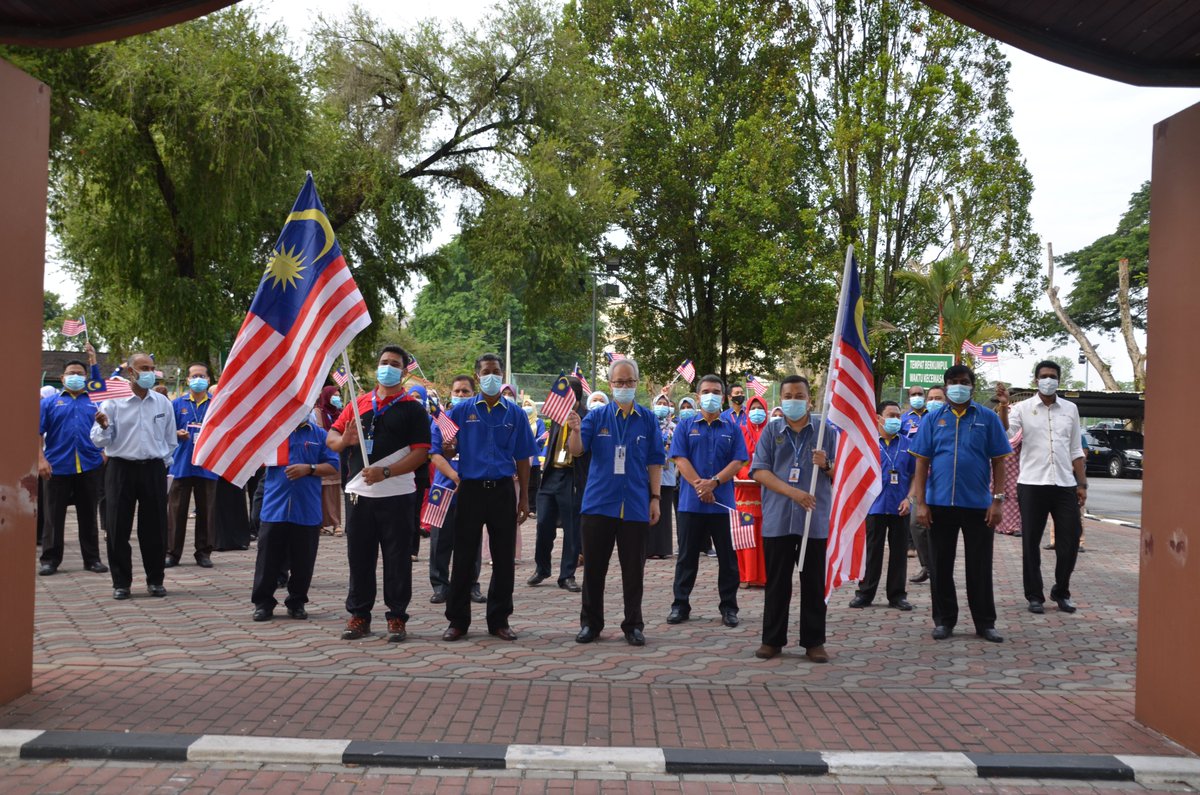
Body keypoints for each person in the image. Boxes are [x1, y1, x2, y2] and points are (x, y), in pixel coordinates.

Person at [327, 346, 432, 643]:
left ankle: (397, 617)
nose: (388, 367)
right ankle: (360, 615)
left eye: (394, 364)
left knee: (397, 558)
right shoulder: (358, 403)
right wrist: (343, 440)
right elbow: (332, 437)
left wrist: (386, 472)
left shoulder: (413, 409)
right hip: (359, 495)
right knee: (359, 557)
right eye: (384, 362)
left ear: (404, 370)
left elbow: (421, 453)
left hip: (397, 494)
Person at [909, 364, 1011, 643]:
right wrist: (921, 503)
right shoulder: (932, 419)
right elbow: (921, 461)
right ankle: (944, 620)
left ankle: (985, 623)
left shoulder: (987, 418)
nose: (958, 386)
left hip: (978, 505)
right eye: (953, 382)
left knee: (979, 566)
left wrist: (997, 501)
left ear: (972, 386)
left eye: (964, 381)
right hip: (939, 504)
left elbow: (999, 461)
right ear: (945, 387)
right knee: (940, 566)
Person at [566, 359, 664, 645]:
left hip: (635, 504)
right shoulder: (596, 418)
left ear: (637, 383)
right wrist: (574, 429)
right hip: (598, 504)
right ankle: (590, 624)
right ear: (610, 384)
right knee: (594, 570)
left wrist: (655, 498)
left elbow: (655, 460)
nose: (624, 387)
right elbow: (578, 450)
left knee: (633, 571)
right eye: (619, 382)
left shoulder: (647, 418)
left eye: (630, 382)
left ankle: (633, 625)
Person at [441, 353, 536, 642]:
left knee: (504, 559)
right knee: (464, 559)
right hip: (469, 490)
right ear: (477, 374)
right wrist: (448, 447)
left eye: (496, 371)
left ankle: (499, 620)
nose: (491, 376)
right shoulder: (460, 410)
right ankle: (457, 621)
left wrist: (524, 499)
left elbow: (523, 458)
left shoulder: (515, 414)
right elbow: (444, 449)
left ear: (502, 374)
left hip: (503, 491)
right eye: (486, 371)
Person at [750, 375, 837, 662]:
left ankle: (814, 642)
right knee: (777, 582)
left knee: (813, 582)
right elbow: (760, 472)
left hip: (814, 519)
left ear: (809, 399)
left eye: (799, 396)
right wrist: (793, 493)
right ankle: (772, 640)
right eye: (788, 395)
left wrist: (826, 464)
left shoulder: (826, 431)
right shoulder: (771, 430)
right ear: (781, 399)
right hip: (779, 518)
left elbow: (842, 474)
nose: (793, 401)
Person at [996, 361, 1087, 614]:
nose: (1049, 380)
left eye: (1053, 376)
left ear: (1059, 379)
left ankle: (1061, 590)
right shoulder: (1022, 408)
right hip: (1032, 484)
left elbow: (1075, 449)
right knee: (1031, 543)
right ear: (1036, 380)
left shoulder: (1070, 409)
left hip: (1065, 485)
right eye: (1044, 376)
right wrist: (1004, 406)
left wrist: (1082, 483)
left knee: (1069, 542)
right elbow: (1005, 432)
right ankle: (1034, 595)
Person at [90, 353, 178, 600]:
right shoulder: (112, 403)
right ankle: (121, 583)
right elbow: (97, 440)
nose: (149, 372)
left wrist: (163, 464)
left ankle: (155, 580)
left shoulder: (163, 403)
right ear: (131, 372)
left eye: (152, 367)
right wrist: (105, 427)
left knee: (155, 528)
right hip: (121, 468)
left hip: (153, 468)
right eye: (143, 368)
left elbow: (170, 439)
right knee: (117, 526)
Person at [668, 374, 748, 627]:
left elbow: (738, 461)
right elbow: (680, 458)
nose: (711, 396)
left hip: (723, 504)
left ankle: (729, 607)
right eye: (706, 391)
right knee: (687, 557)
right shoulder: (685, 424)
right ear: (698, 396)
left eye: (715, 391)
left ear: (723, 397)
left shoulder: (732, 427)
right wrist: (700, 487)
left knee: (728, 558)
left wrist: (713, 483)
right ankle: (680, 605)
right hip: (691, 504)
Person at [251, 417, 339, 621]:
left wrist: (309, 469)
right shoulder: (274, 432)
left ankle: (297, 602)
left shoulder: (320, 435)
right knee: (267, 560)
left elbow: (333, 465)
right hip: (275, 507)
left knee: (303, 560)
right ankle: (263, 603)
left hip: (306, 508)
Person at [38, 357, 107, 575]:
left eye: (80, 373)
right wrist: (40, 459)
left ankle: (92, 559)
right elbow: (37, 432)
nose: (75, 377)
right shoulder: (49, 403)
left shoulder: (95, 401)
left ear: (86, 378)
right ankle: (50, 559)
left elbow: (107, 429)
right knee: (53, 516)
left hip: (89, 465)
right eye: (71, 373)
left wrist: (104, 453)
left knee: (88, 515)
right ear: (62, 377)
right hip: (57, 466)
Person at [850, 400, 914, 611]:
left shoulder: (908, 444)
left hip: (900, 506)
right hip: (874, 506)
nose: (896, 420)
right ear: (879, 418)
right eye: (891, 415)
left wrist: (909, 498)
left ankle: (897, 596)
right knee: (872, 552)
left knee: (899, 553)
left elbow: (916, 475)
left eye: (898, 415)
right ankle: (865, 593)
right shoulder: (867, 444)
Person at [428, 375, 486, 606]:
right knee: (440, 542)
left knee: (471, 541)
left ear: (474, 394)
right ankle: (441, 586)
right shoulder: (441, 421)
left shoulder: (479, 420)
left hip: (473, 489)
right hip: (444, 488)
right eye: (457, 391)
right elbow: (435, 455)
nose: (461, 395)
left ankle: (471, 585)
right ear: (450, 394)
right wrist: (455, 477)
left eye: (466, 392)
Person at [529, 376, 586, 592]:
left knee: (572, 528)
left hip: (572, 476)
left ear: (574, 396)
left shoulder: (586, 418)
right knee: (543, 523)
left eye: (562, 394)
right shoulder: (555, 417)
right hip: (551, 474)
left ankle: (567, 575)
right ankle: (542, 568)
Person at [165, 363, 217, 569]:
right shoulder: (176, 404)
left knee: (207, 511)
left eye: (202, 376)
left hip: (207, 466)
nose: (198, 379)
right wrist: (176, 434)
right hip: (181, 464)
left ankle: (204, 552)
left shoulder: (216, 404)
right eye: (194, 376)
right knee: (176, 511)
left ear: (208, 380)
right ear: (187, 380)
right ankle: (172, 552)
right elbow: (164, 431)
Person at [907, 384, 946, 585]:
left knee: (939, 529)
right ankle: (927, 566)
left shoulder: (950, 422)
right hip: (919, 480)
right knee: (916, 523)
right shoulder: (911, 420)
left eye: (938, 398)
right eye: (930, 398)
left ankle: (939, 569)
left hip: (943, 484)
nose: (933, 402)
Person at [734, 395, 770, 588]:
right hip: (744, 491)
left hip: (766, 492)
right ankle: (746, 576)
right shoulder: (740, 431)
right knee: (745, 534)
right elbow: (736, 458)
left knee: (764, 535)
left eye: (760, 408)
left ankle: (764, 576)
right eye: (753, 408)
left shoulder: (771, 432)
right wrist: (744, 474)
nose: (757, 412)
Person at [645, 393, 676, 559]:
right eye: (659, 403)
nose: (662, 406)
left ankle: (663, 548)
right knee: (648, 510)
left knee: (664, 513)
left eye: (665, 403)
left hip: (668, 473)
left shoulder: (674, 428)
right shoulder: (647, 424)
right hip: (648, 474)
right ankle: (648, 548)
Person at [314, 383, 345, 536]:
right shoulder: (318, 412)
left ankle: (336, 523)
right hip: (323, 455)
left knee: (333, 490)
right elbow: (320, 431)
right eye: (335, 396)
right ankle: (320, 523)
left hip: (337, 454)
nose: (337, 398)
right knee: (321, 490)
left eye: (339, 396)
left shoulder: (338, 413)